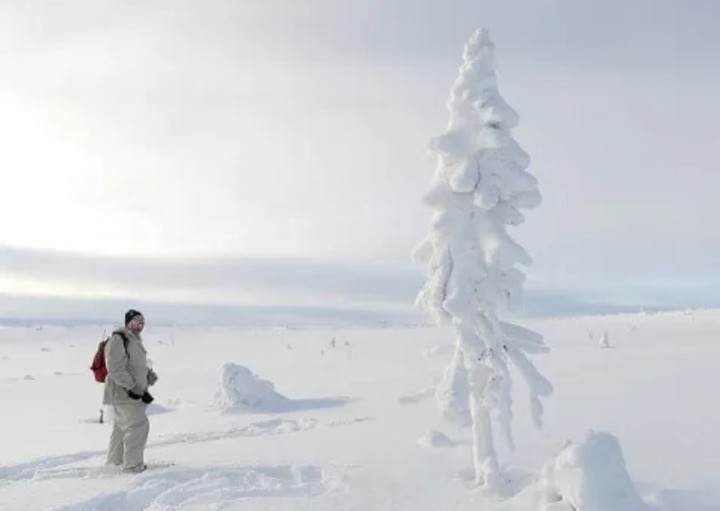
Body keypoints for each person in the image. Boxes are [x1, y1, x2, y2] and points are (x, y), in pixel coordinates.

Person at [103, 309, 158, 472]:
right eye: (137, 320)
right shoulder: (118, 339)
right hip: (125, 392)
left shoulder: (134, 340)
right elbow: (114, 368)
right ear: (128, 322)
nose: (140, 324)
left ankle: (115, 463)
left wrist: (148, 375)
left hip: (134, 391)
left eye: (142, 321)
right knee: (138, 426)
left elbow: (133, 365)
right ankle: (133, 466)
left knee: (121, 427)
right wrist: (131, 386)